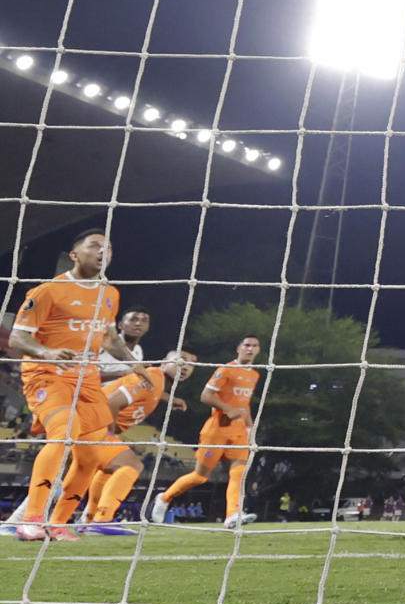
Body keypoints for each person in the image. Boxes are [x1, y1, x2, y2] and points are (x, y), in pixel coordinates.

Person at [7, 229, 139, 541]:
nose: (102, 252)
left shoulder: (110, 294)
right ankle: (31, 519)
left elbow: (109, 339)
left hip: (87, 379)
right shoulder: (48, 291)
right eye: (95, 246)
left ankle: (59, 523)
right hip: (47, 374)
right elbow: (17, 337)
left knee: (92, 456)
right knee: (64, 433)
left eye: (108, 248)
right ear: (74, 254)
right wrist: (47, 352)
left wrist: (135, 364)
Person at [51, 351, 196, 526]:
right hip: (92, 424)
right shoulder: (153, 375)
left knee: (104, 470)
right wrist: (109, 433)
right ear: (164, 361)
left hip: (83, 422)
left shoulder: (157, 382)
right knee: (132, 465)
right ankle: (102, 520)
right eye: (182, 360)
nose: (186, 366)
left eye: (192, 364)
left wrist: (169, 398)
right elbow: (113, 402)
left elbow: (149, 391)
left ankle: (87, 519)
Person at [150, 335, 261, 530]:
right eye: (247, 345)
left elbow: (245, 404)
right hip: (217, 428)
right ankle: (164, 498)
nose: (250, 349)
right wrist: (227, 409)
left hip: (238, 431)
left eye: (255, 346)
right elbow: (205, 396)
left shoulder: (254, 375)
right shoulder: (226, 369)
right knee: (200, 476)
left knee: (238, 473)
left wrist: (249, 428)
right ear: (238, 348)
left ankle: (232, 515)